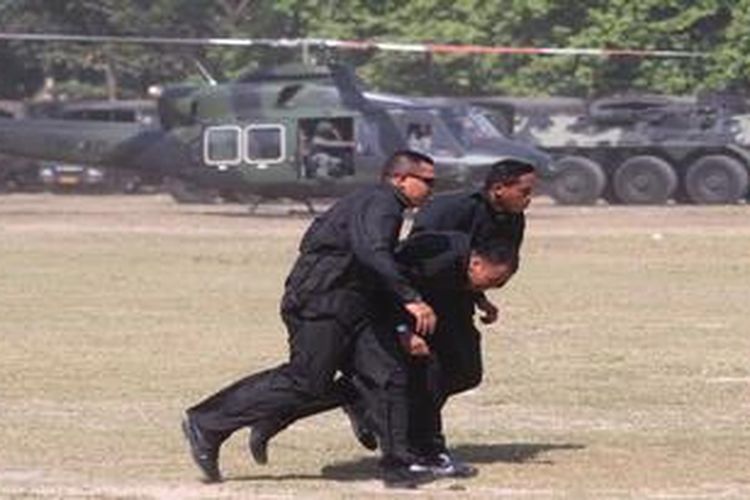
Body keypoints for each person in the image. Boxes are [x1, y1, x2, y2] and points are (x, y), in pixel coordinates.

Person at [181, 150, 437, 486]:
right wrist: (411, 300)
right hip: (323, 302)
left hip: (353, 305)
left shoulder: (383, 204)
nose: (432, 189)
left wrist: (398, 323)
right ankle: (207, 421)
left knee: (386, 374)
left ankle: (398, 463)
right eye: (428, 181)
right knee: (307, 380)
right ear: (401, 178)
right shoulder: (382, 202)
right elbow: (371, 253)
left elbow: (370, 264)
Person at [244, 231, 519, 484]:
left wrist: (479, 297)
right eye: (494, 281)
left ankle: (291, 415)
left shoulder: (464, 261)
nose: (497, 287)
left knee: (453, 375)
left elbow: (452, 282)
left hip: (428, 313)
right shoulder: (436, 258)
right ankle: (424, 450)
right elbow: (388, 286)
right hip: (377, 311)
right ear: (476, 264)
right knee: (405, 381)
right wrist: (403, 331)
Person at [404, 158, 537, 473]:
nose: (529, 198)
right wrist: (409, 305)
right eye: (525, 190)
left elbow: (490, 265)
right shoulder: (451, 209)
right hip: (423, 303)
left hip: (458, 303)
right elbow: (412, 257)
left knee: (466, 372)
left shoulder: (514, 219)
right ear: (498, 188)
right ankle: (422, 445)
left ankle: (393, 415)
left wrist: (481, 298)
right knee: (430, 374)